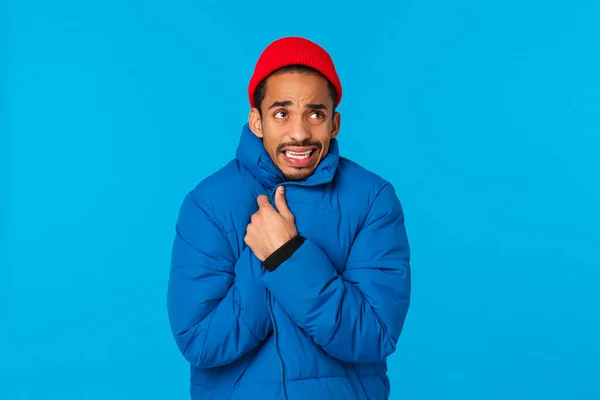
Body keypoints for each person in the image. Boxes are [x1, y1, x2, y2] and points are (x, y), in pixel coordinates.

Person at [167, 36, 411, 400]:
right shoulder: (207, 204)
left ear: (334, 124)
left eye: (316, 113)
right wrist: (267, 260)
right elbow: (201, 343)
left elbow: (375, 334)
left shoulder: (373, 199)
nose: (299, 133)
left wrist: (286, 255)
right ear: (257, 121)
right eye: (282, 113)